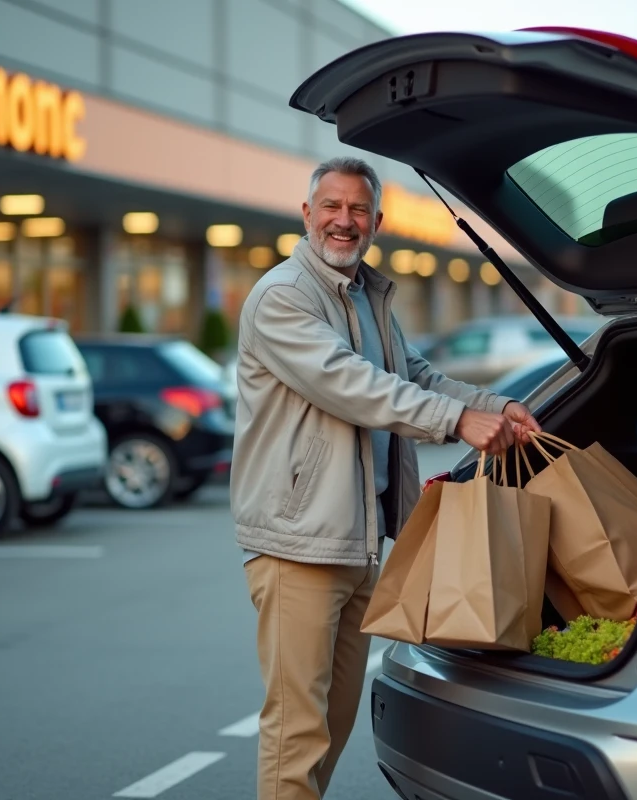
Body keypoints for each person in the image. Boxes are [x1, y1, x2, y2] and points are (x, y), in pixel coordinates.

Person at [230, 156, 540, 800]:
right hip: (296, 544)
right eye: (333, 207)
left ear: (377, 220)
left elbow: (415, 376)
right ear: (308, 214)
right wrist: (455, 422)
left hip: (356, 538)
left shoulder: (368, 294)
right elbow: (352, 385)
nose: (345, 221)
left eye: (359, 210)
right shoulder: (284, 296)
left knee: (332, 726)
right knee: (297, 735)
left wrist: (491, 406)